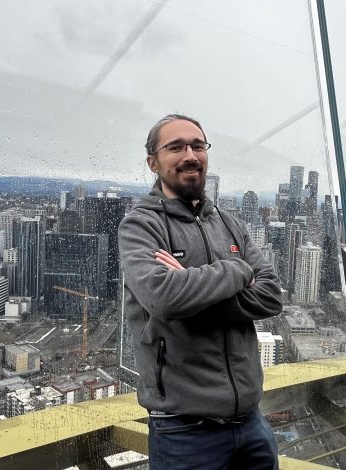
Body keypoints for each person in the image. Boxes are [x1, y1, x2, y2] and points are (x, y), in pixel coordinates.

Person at [118, 114, 283, 469]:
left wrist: (193, 292)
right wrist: (239, 270)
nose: (190, 155)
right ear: (153, 162)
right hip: (184, 431)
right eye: (175, 147)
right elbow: (163, 297)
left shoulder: (229, 223)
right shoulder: (141, 226)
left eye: (197, 146)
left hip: (252, 422)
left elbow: (271, 295)